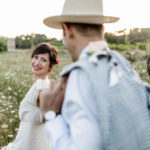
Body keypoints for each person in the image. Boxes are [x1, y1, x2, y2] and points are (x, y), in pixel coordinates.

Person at [40, 0, 150, 150]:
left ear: (68, 29)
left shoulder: (81, 76)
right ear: (103, 29)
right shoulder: (122, 64)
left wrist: (50, 115)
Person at [1, 43, 58, 150]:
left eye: (43, 60)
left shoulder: (42, 87)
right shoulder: (38, 84)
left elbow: (51, 113)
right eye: (36, 57)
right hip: (25, 141)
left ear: (51, 66)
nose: (36, 62)